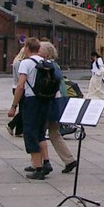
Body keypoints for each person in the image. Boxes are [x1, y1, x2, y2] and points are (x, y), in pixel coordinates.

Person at [8, 38, 51, 179]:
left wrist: (14, 106)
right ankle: (46, 162)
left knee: (30, 133)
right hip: (45, 100)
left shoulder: (25, 63)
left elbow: (20, 86)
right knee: (40, 132)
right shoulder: (47, 62)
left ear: (27, 48)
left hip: (32, 101)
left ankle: (38, 169)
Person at [37, 41, 78, 174]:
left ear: (47, 52)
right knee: (55, 134)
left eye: (40, 49)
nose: (38, 51)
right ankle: (69, 160)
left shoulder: (50, 66)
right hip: (57, 102)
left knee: (39, 133)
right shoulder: (54, 65)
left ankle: (39, 163)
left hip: (51, 104)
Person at [6, 42, 29, 137]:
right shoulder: (21, 63)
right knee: (25, 110)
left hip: (16, 87)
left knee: (23, 109)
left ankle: (19, 130)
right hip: (20, 87)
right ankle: (12, 124)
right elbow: (22, 78)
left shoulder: (16, 62)